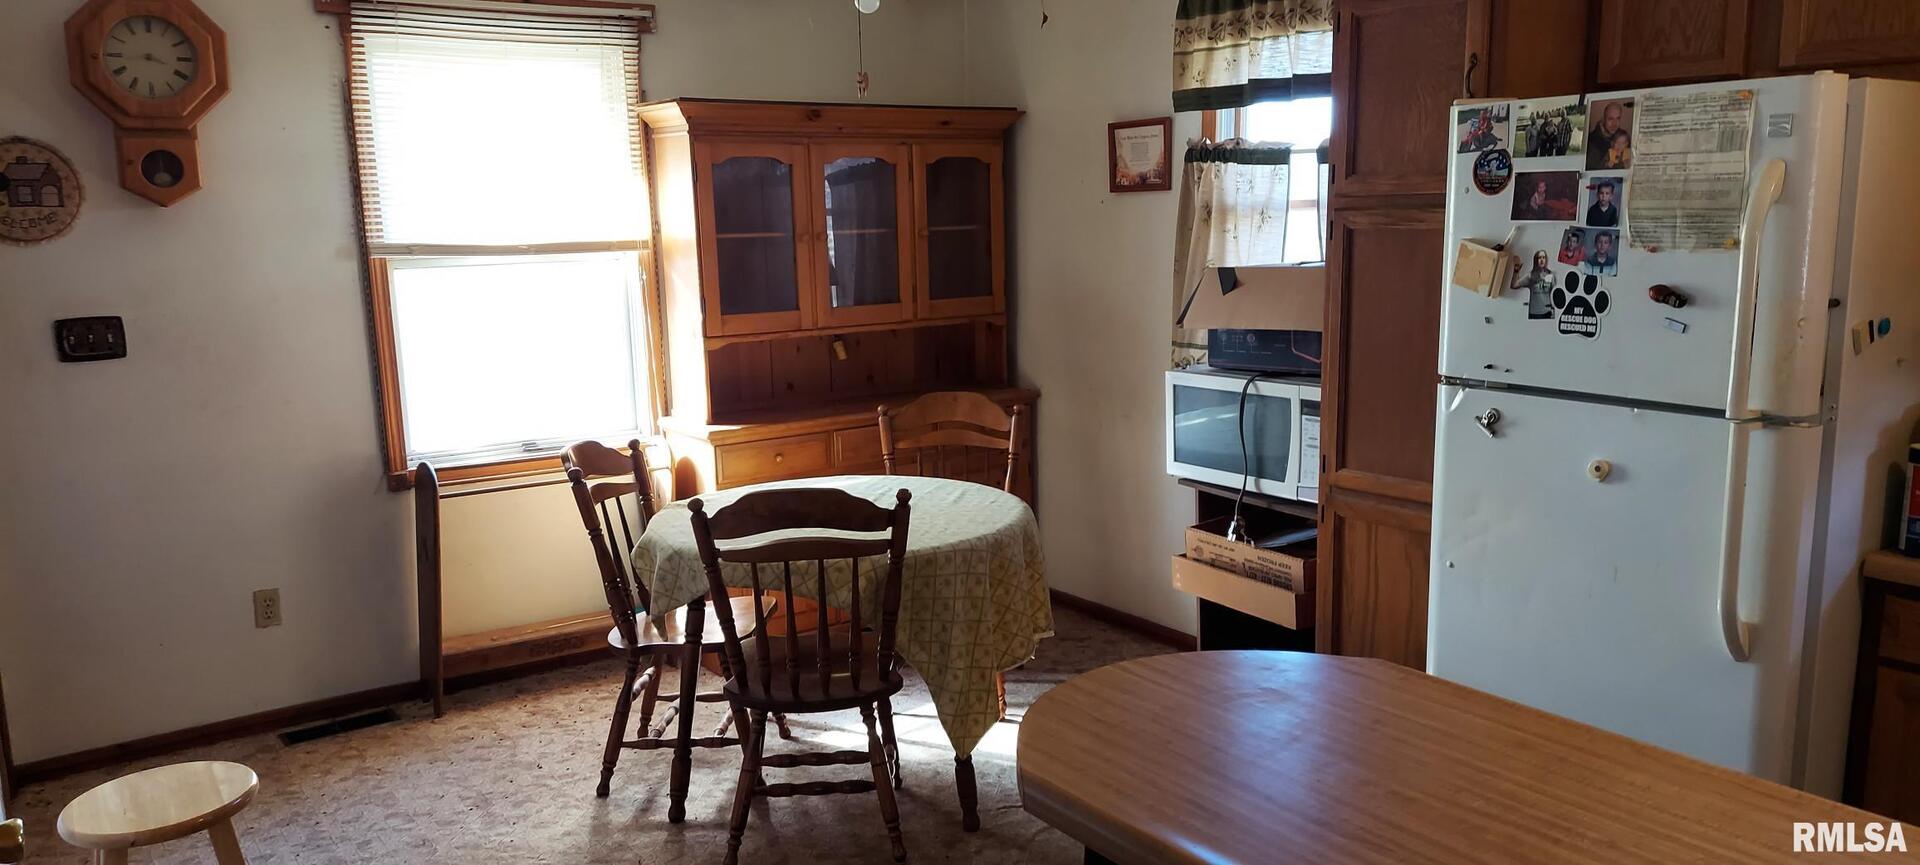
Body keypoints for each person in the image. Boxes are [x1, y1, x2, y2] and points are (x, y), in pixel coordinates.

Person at [1513, 251, 1555, 319]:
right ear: (1535, 260)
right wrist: (1516, 271)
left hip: (1548, 312)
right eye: (1539, 258)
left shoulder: (1551, 274)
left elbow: (1554, 294)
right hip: (1534, 313)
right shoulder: (1530, 275)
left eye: (1543, 258)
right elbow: (1514, 285)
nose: (1541, 260)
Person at [1587, 102, 1629, 169]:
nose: (1614, 124)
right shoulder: (1591, 141)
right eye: (1610, 119)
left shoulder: (1624, 137)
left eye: (1618, 118)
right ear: (1604, 119)